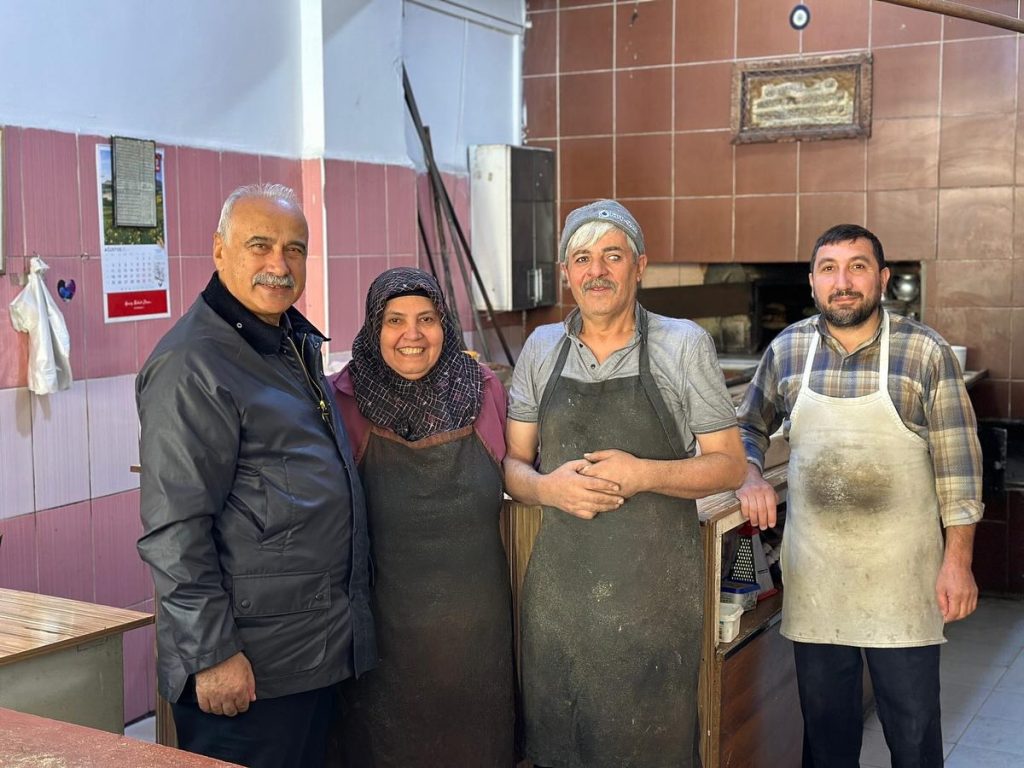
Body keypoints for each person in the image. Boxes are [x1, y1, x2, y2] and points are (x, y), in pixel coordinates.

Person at [136, 183, 375, 768]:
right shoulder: (193, 363)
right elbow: (175, 528)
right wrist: (212, 654)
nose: (279, 264)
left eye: (295, 249)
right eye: (260, 245)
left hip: (305, 651)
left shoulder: (285, 342)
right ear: (219, 251)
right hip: (246, 667)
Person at [504, 199, 747, 768]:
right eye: (582, 259)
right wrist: (547, 489)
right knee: (561, 748)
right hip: (561, 601)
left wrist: (644, 473)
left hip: (652, 601)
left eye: (612, 256)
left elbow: (730, 466)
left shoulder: (682, 344)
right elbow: (514, 464)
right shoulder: (541, 348)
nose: (597, 271)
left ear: (639, 266)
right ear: (566, 273)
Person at [736, 224, 983, 767]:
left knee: (914, 739)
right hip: (818, 580)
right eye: (829, 269)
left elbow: (960, 469)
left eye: (857, 267)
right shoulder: (788, 349)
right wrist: (750, 473)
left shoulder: (924, 351)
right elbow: (748, 425)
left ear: (883, 278)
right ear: (812, 282)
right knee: (827, 742)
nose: (842, 282)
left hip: (904, 583)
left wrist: (957, 562)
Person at [329, 267, 515, 766]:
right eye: (395, 320)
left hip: (478, 642)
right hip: (382, 646)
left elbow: (521, 472)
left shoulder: (484, 391)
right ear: (374, 327)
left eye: (426, 319)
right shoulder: (340, 399)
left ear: (444, 325)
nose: (412, 334)